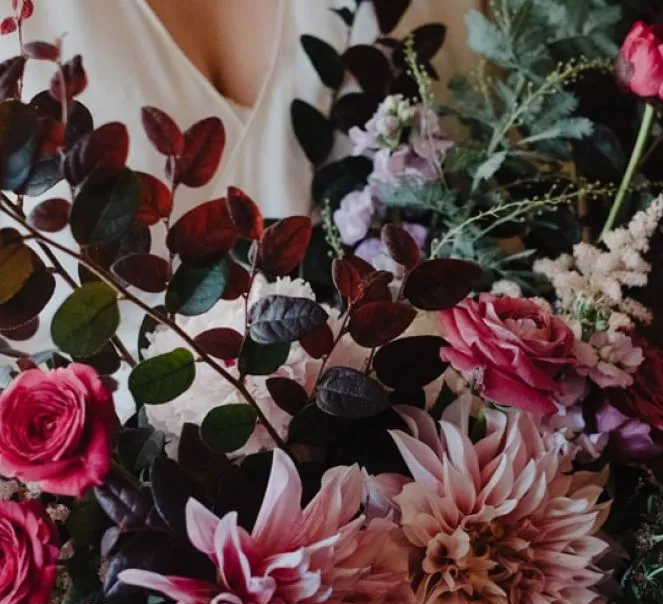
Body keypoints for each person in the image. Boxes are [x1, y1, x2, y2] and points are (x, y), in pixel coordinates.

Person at [0, 0, 480, 373]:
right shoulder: (20, 27)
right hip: (89, 480)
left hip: (393, 466)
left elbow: (486, 235)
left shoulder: (411, 17)